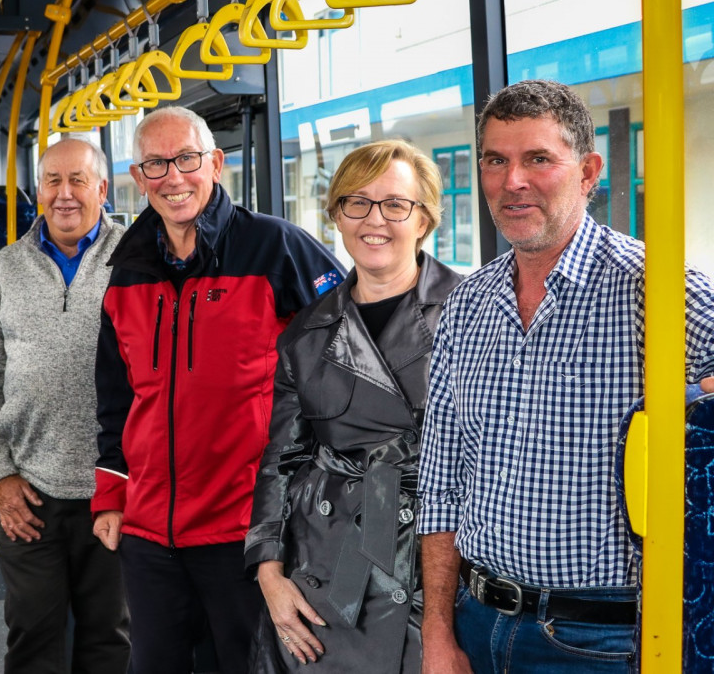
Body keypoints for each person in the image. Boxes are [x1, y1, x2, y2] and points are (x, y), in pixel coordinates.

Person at [417, 79, 714, 674]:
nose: (512, 181)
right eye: (496, 161)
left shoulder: (658, 289)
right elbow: (442, 480)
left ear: (588, 171)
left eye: (538, 159)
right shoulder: (468, 302)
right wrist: (437, 632)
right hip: (477, 623)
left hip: (605, 642)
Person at [92, 106, 347, 673]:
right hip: (151, 531)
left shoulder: (277, 248)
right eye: (156, 164)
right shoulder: (126, 267)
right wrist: (111, 493)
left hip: (247, 530)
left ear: (216, 163)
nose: (173, 178)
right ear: (138, 178)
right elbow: (115, 395)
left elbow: (346, 363)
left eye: (186, 159)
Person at [245, 140, 462, 672]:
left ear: (425, 219)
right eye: (356, 203)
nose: (375, 220)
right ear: (337, 217)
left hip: (439, 569)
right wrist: (268, 570)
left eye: (395, 204)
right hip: (321, 569)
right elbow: (281, 459)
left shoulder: (474, 309)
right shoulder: (306, 331)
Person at [0, 137, 130, 674]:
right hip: (28, 490)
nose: (64, 194)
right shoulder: (5, 267)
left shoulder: (136, 260)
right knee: (33, 638)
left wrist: (134, 477)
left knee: (110, 639)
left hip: (115, 485)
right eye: (53, 181)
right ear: (38, 190)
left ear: (102, 189)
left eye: (78, 180)